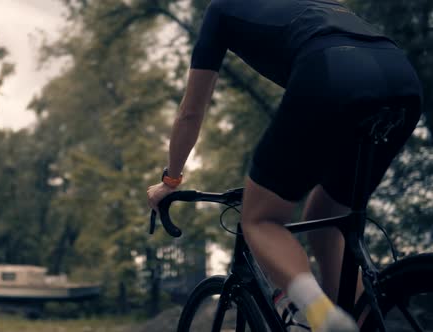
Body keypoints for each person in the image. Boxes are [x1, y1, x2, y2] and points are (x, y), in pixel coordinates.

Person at [146, 0, 423, 331]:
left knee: (260, 219)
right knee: (325, 221)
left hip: (332, 72)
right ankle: (363, 324)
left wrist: (171, 180)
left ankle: (321, 316)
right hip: (403, 82)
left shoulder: (222, 9)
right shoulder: (313, 5)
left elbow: (190, 113)